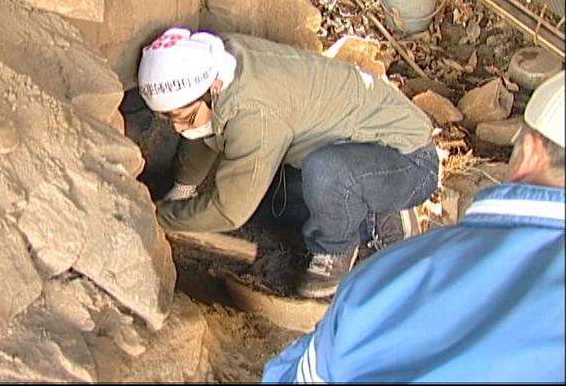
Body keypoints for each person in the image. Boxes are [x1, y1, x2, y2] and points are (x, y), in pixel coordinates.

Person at [262, 70, 565, 382]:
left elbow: (300, 376)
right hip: (385, 164)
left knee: (319, 175)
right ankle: (380, 211)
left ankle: (350, 240)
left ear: (529, 151)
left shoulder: (393, 278)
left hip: (407, 167)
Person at [137, 27, 439, 298]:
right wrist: (183, 187)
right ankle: (369, 209)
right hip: (354, 150)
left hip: (407, 161)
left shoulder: (254, 112)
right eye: (168, 120)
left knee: (325, 174)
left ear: (212, 89)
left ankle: (341, 248)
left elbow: (228, 211)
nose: (178, 129)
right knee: (268, 206)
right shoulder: (219, 60)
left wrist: (158, 216)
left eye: (184, 118)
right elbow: (209, 129)